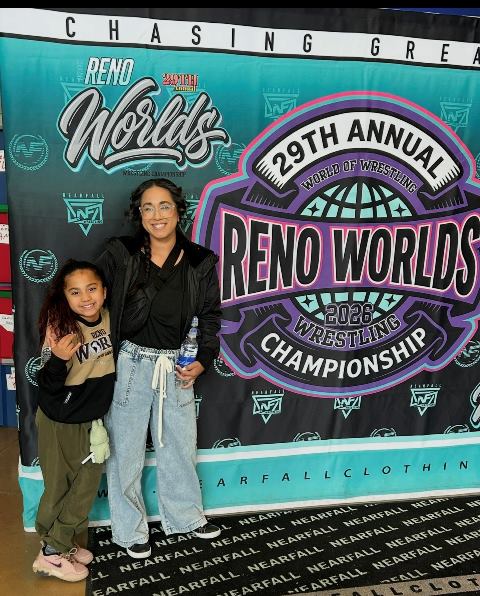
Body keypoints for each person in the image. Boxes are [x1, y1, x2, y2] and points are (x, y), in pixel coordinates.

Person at [96, 178, 221, 559]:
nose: (157, 215)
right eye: (147, 207)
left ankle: (185, 517)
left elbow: (210, 315)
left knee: (180, 447)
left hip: (177, 364)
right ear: (139, 214)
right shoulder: (121, 253)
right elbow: (89, 297)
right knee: (125, 451)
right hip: (131, 363)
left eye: (164, 205)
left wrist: (203, 359)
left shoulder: (200, 260)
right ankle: (128, 530)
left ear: (179, 211)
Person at [32, 260, 114, 582]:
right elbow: (46, 384)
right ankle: (51, 552)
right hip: (60, 421)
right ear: (65, 296)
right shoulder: (61, 327)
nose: (85, 297)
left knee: (85, 486)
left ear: (104, 291)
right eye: (75, 292)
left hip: (92, 420)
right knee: (59, 489)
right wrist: (58, 359)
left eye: (91, 289)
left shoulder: (111, 318)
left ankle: (60, 540)